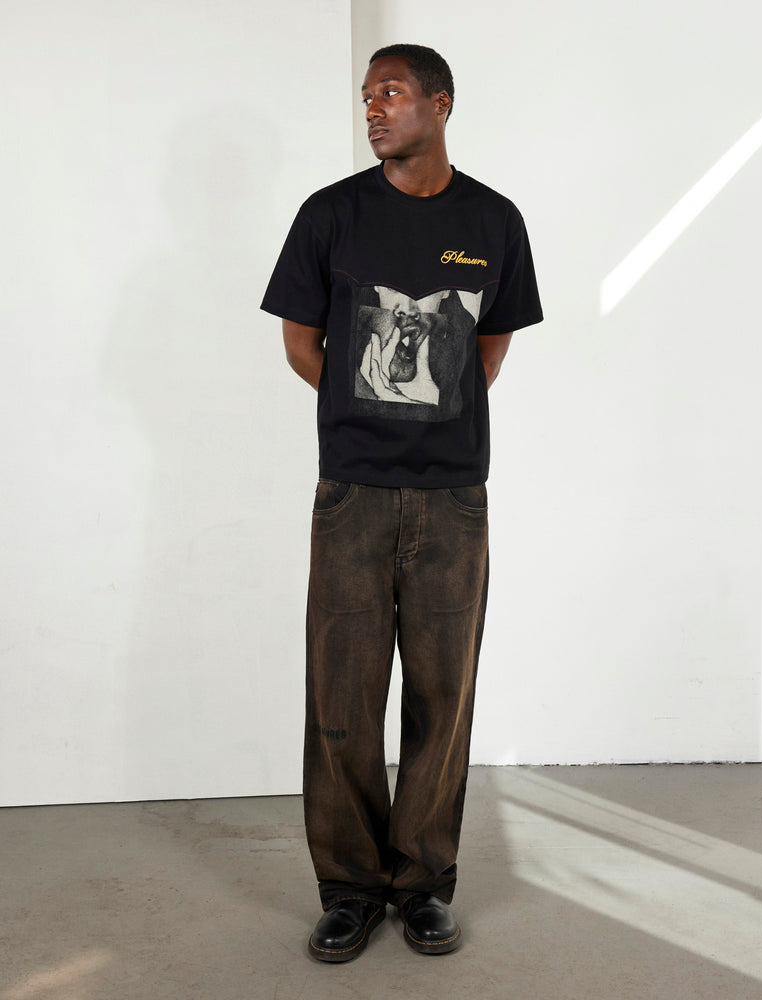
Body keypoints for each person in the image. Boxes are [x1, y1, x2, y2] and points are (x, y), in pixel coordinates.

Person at [261, 43, 543, 962]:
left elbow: (490, 348)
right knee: (342, 697)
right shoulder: (331, 214)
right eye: (366, 96)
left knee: (441, 696)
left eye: (391, 92)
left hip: (454, 499)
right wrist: (369, 412)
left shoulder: (493, 220)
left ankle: (422, 885)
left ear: (440, 103)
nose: (374, 109)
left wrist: (428, 412)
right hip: (351, 494)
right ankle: (348, 888)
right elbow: (302, 345)